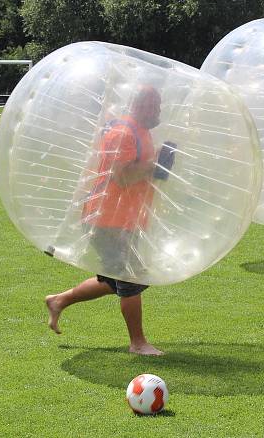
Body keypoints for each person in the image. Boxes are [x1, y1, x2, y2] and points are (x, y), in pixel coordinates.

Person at [45, 86, 165, 356]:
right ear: (139, 105)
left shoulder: (142, 132)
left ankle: (59, 300)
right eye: (154, 105)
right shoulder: (123, 133)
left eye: (159, 105)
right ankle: (138, 343)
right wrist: (155, 164)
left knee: (114, 280)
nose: (159, 111)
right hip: (108, 219)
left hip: (125, 220)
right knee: (129, 280)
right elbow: (121, 176)